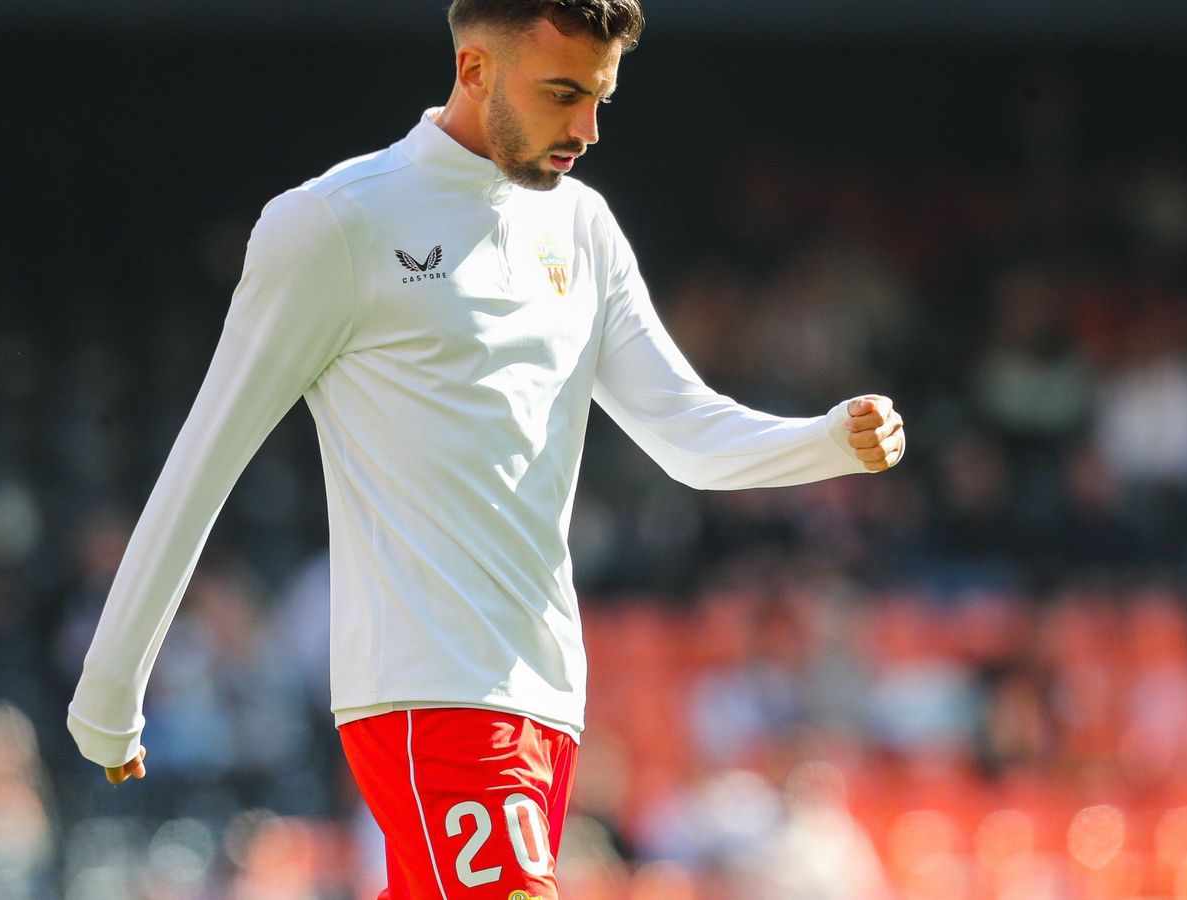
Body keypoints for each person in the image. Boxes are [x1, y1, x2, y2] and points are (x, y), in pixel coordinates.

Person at [66, 1, 906, 897]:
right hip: (430, 690)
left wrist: (824, 442)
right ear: (473, 70)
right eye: (561, 94)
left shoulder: (583, 230)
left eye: (600, 99)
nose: (586, 128)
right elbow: (204, 462)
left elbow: (684, 436)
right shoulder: (335, 224)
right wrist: (109, 699)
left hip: (545, 698)